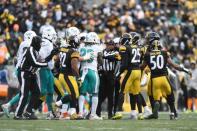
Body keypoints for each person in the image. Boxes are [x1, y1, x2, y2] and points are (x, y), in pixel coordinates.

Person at [141, 32, 191, 119]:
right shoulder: (164, 52)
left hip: (153, 76)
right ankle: (172, 113)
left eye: (148, 39)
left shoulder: (147, 53)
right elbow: (174, 65)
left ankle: (156, 111)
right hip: (163, 76)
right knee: (169, 95)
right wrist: (185, 70)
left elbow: (142, 65)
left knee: (154, 95)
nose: (147, 40)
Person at [1, 30, 36, 118]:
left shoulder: (22, 44)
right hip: (25, 70)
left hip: (21, 69)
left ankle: (11, 106)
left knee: (26, 92)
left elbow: (17, 58)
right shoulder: (29, 44)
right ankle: (23, 111)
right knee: (28, 92)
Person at [14, 36, 48, 120]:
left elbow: (42, 60)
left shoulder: (36, 51)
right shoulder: (30, 50)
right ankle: (17, 114)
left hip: (31, 74)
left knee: (37, 92)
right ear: (36, 43)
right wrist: (45, 64)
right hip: (25, 73)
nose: (40, 45)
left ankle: (28, 112)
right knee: (24, 95)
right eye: (40, 43)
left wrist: (51, 55)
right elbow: (35, 63)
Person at [55, 27, 81, 120]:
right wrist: (78, 77)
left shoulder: (63, 48)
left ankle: (61, 105)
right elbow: (74, 66)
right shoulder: (74, 51)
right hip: (67, 75)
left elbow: (56, 60)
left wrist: (58, 70)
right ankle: (71, 112)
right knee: (74, 94)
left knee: (74, 94)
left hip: (62, 74)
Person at [118, 32, 144, 119]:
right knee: (135, 93)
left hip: (131, 71)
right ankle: (139, 113)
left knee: (122, 91)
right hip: (138, 71)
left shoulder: (125, 47)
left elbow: (124, 64)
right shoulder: (137, 47)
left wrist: (119, 73)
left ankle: (119, 112)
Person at [78, 32, 103, 120]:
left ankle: (80, 113)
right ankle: (92, 114)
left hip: (82, 72)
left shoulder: (81, 47)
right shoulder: (97, 47)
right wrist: (100, 64)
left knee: (82, 93)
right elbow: (100, 59)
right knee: (95, 93)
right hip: (92, 71)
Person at [96, 39, 121, 119]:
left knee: (110, 95)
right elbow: (99, 61)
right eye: (107, 44)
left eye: (110, 45)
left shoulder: (116, 52)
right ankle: (97, 112)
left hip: (111, 74)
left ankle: (110, 113)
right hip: (103, 74)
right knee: (101, 94)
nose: (108, 46)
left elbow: (114, 58)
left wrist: (103, 57)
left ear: (113, 45)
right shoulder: (102, 51)